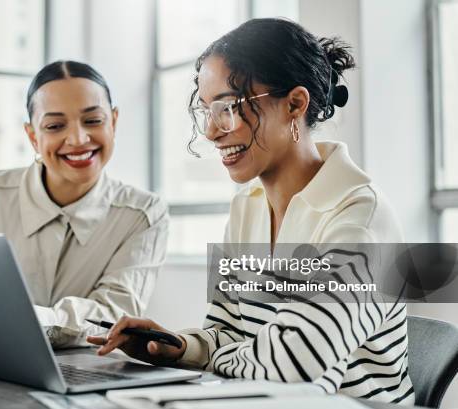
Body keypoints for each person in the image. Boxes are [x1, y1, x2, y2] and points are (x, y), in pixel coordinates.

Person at [87, 18, 414, 404]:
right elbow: (227, 331)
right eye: (207, 110)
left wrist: (213, 357)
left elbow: (296, 363)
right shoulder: (248, 206)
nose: (211, 131)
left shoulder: (359, 216)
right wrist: (178, 347)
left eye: (228, 107)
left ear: (295, 104)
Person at [0, 60, 168, 347]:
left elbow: (113, 316)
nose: (78, 139)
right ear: (32, 136)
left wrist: (21, 319)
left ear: (113, 122)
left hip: (84, 374)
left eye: (93, 121)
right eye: (55, 125)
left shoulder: (143, 215)